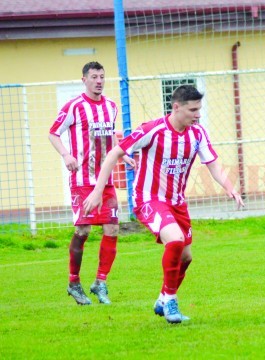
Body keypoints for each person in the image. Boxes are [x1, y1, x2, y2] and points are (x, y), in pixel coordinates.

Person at [83, 85, 244, 324]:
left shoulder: (197, 133)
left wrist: (230, 187)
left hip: (177, 203)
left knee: (186, 257)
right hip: (148, 198)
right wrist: (98, 191)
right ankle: (170, 301)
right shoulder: (152, 129)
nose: (198, 114)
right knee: (176, 240)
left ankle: (162, 299)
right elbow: (113, 154)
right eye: (193, 109)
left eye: (199, 109)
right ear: (176, 107)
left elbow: (213, 164)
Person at [49, 61, 136, 305]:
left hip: (105, 180)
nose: (99, 80)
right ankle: (74, 282)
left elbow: (110, 138)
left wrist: (124, 155)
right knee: (83, 230)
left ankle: (100, 282)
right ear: (84, 80)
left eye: (102, 76)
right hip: (81, 179)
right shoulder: (74, 107)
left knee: (112, 228)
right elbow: (53, 133)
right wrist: (66, 155)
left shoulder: (111, 106)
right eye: (94, 76)